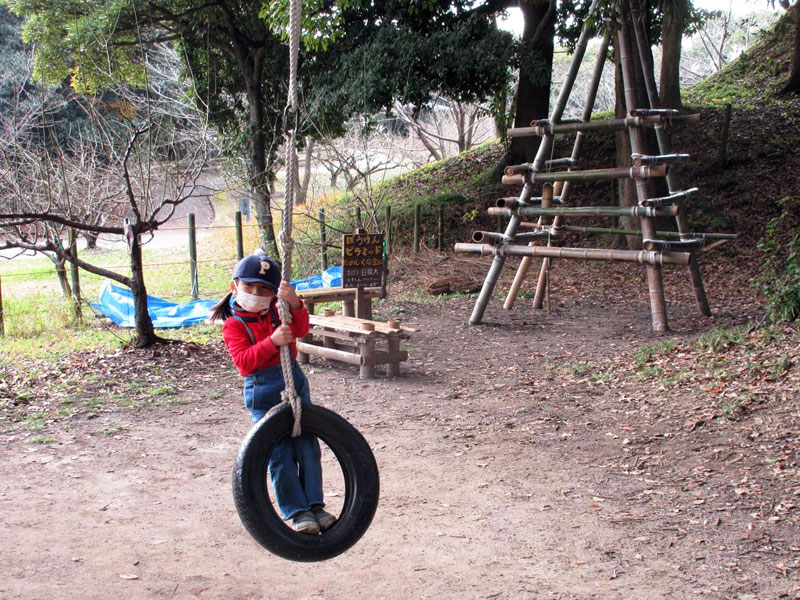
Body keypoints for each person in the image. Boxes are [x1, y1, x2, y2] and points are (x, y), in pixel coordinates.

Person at [210, 250, 336, 535]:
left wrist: (294, 303)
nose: (256, 293)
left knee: (307, 444)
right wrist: (272, 341)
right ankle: (297, 511)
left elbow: (301, 329)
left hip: (294, 383)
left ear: (272, 294)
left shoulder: (279, 311)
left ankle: (315, 504)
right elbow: (244, 363)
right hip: (263, 390)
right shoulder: (233, 325)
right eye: (249, 287)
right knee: (279, 451)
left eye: (264, 289)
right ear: (235, 286)